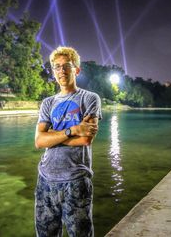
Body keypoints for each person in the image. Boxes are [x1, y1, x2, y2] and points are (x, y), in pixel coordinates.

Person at [34, 46, 102, 237]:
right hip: (45, 180)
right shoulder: (47, 103)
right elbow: (39, 141)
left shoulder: (89, 99)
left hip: (76, 180)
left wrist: (53, 137)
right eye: (56, 67)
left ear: (76, 70)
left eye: (66, 66)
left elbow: (86, 139)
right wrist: (72, 130)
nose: (61, 71)